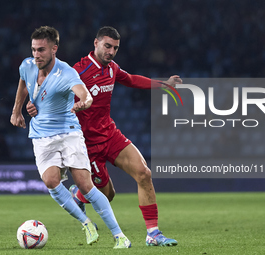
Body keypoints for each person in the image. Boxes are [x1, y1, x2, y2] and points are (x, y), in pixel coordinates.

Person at [27, 26, 181, 247]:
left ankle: (153, 234)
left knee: (144, 173)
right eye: (107, 46)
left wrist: (163, 84)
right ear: (95, 43)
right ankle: (79, 196)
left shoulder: (112, 68)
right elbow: (48, 90)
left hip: (109, 134)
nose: (111, 52)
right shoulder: (78, 71)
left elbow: (131, 80)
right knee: (107, 195)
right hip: (86, 144)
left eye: (115, 48)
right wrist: (34, 107)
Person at [10, 26, 131, 249]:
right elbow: (23, 83)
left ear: (54, 49)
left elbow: (84, 93)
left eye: (42, 50)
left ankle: (120, 236)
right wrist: (17, 110)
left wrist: (84, 102)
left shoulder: (66, 73)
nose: (36, 55)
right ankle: (86, 223)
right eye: (34, 50)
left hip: (68, 133)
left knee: (85, 185)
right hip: (41, 136)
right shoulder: (27, 65)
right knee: (50, 181)